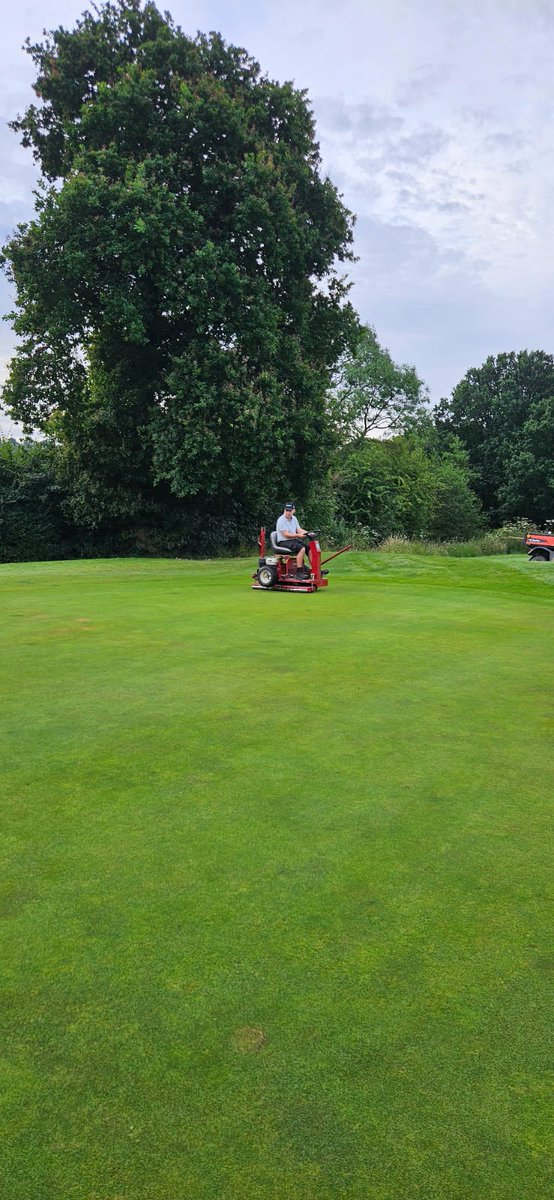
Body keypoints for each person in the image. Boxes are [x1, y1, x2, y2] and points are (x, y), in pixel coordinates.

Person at [275, 503, 311, 576]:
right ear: (284, 510)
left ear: (293, 510)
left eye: (290, 511)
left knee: (309, 548)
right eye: (286, 510)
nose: (288, 512)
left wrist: (308, 533)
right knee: (302, 549)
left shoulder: (294, 518)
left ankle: (315, 569)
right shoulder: (281, 520)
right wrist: (298, 535)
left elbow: (299, 529)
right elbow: (286, 535)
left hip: (293, 540)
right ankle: (299, 572)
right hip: (283, 541)